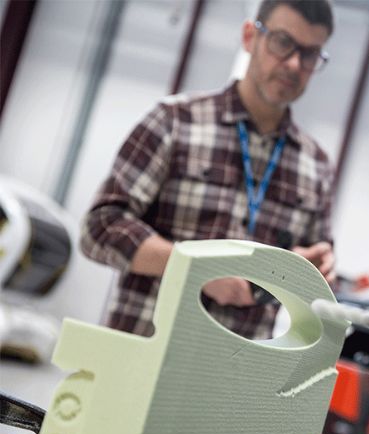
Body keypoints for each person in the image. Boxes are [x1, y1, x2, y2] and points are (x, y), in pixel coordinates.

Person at [81, 0, 336, 339]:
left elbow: (315, 276)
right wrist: (197, 270)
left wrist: (308, 268)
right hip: (143, 357)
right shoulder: (174, 122)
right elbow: (100, 229)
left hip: (234, 377)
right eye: (282, 42)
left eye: (309, 54)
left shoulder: (315, 165)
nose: (293, 63)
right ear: (250, 36)